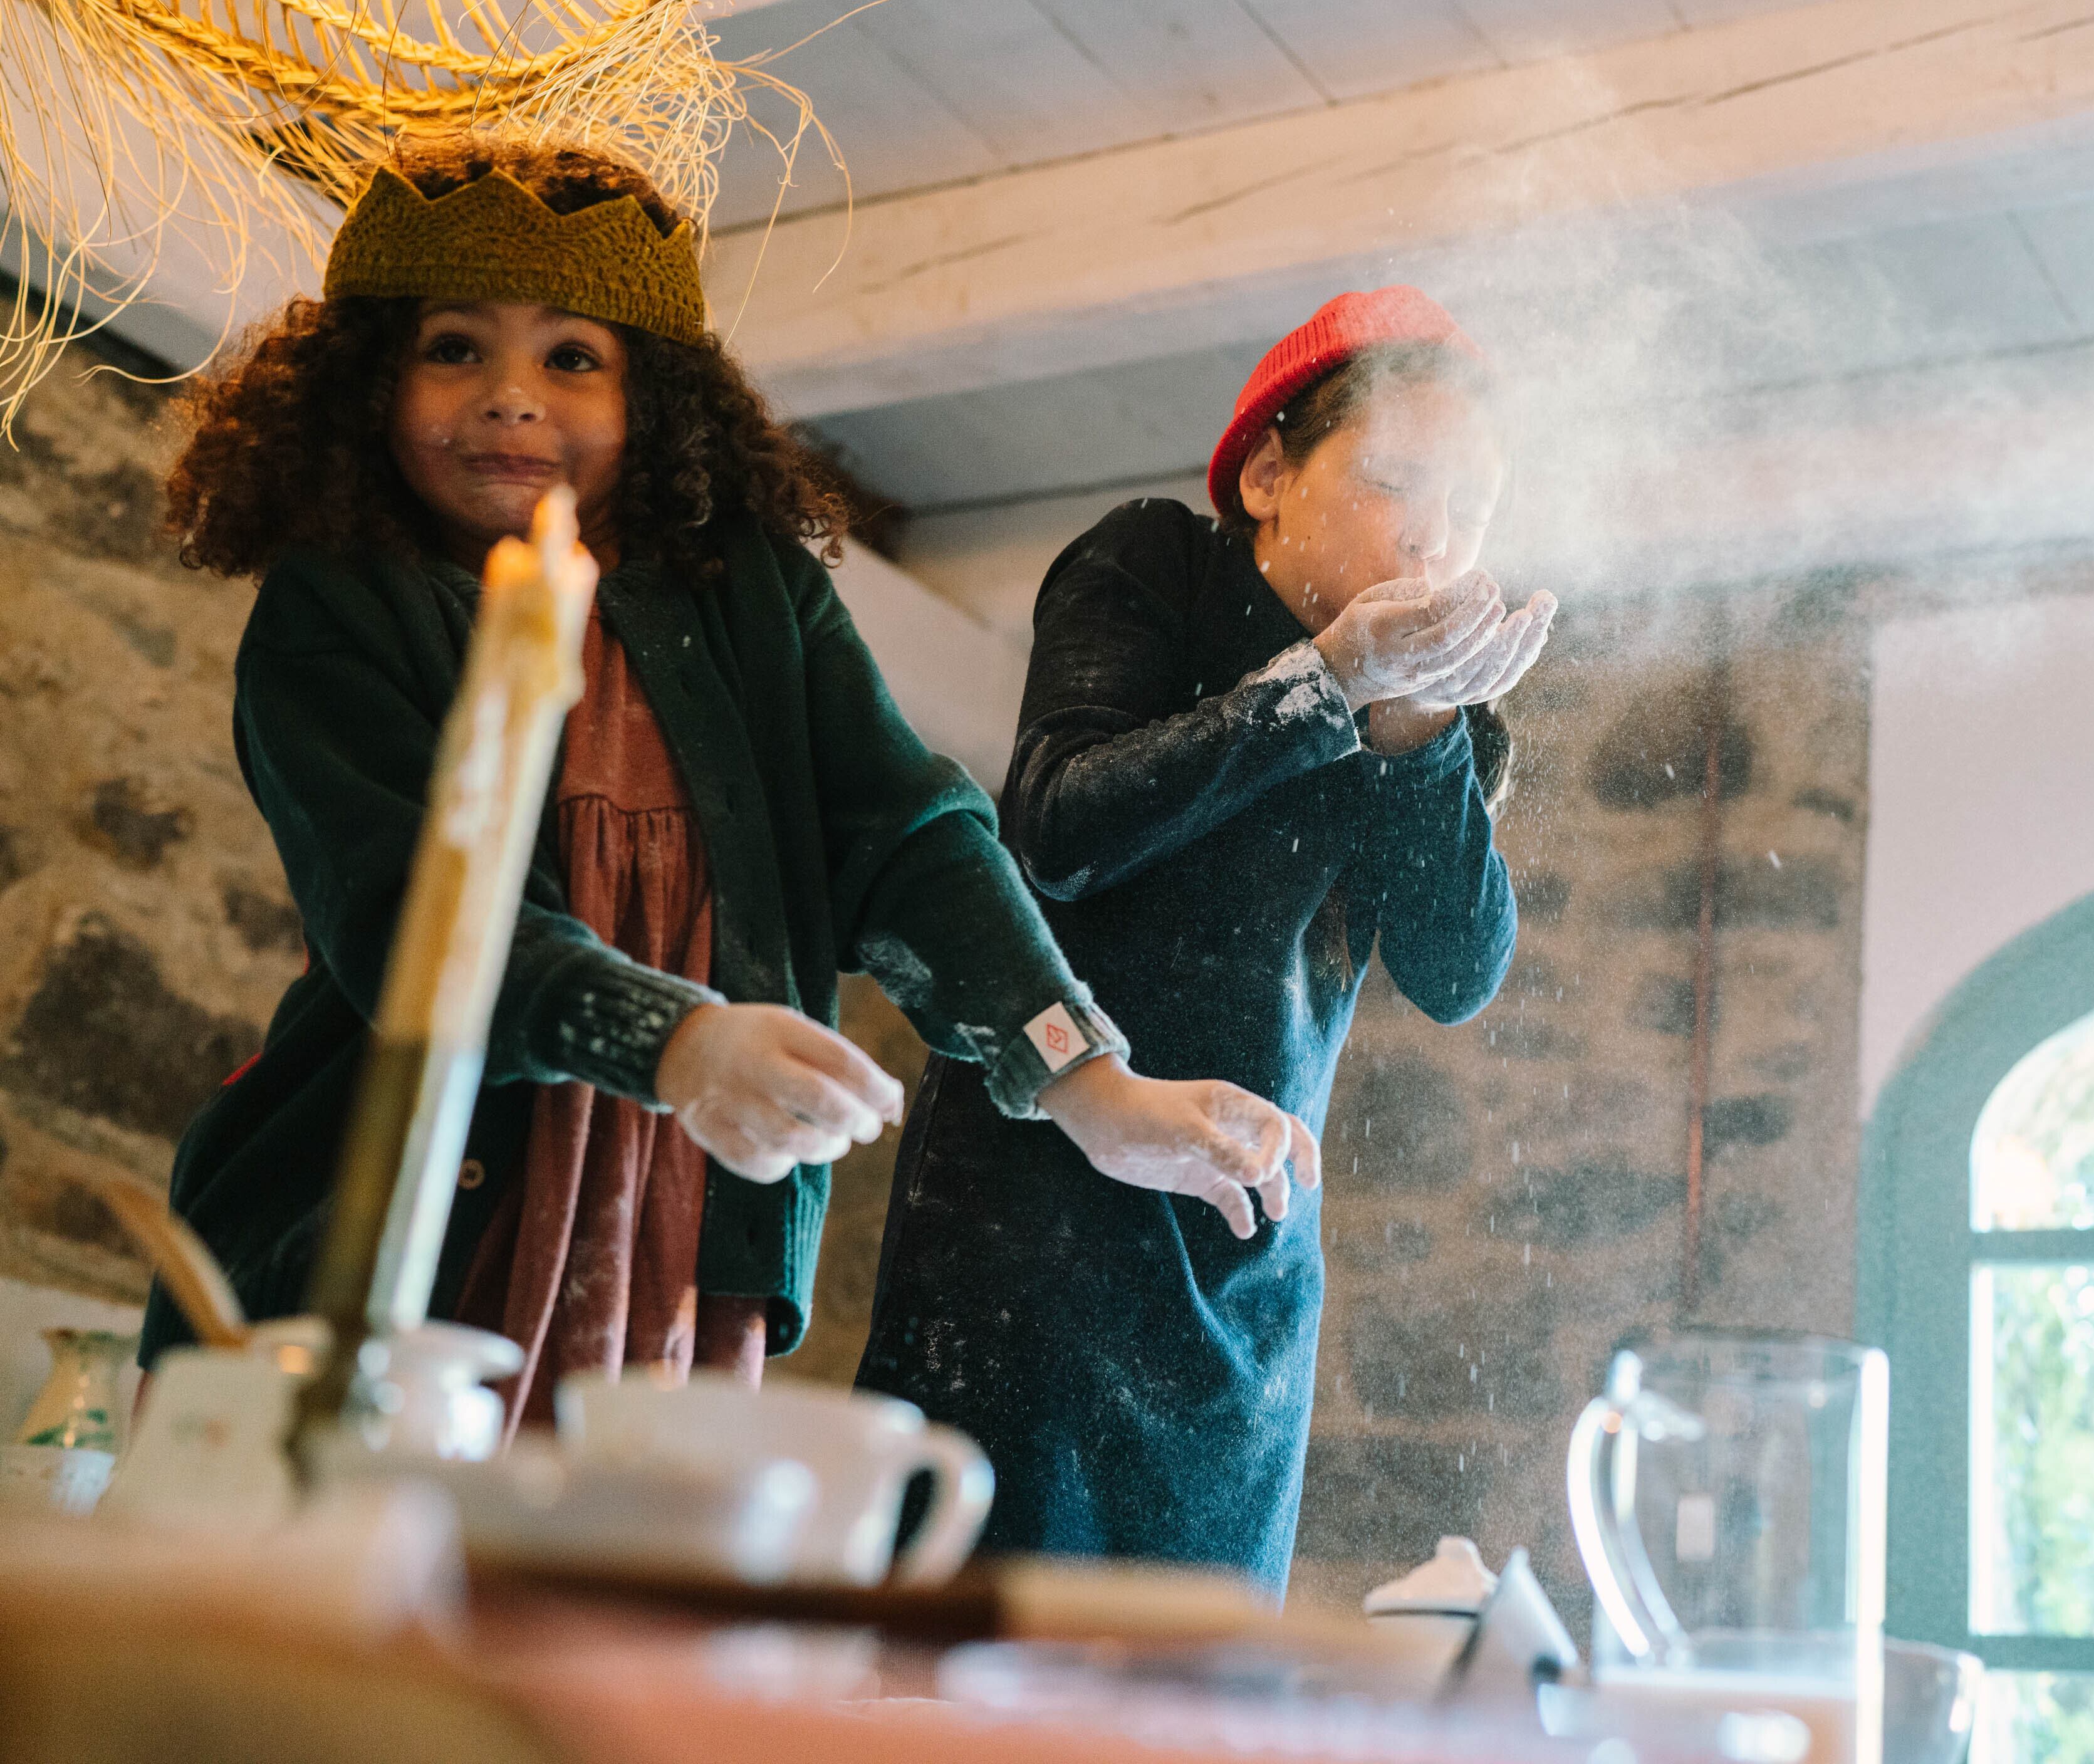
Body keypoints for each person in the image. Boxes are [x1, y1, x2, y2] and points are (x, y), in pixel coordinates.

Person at [145, 140, 1307, 1434]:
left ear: (653, 397)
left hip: (685, 1244)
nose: (511, 399)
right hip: (363, 1256)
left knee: (618, 1562)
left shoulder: (749, 592)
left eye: (572, 358)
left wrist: (1085, 1081)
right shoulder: (334, 608)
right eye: (454, 348)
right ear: (367, 382)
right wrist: (676, 1044)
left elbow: (905, 834)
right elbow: (415, 917)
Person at [857, 286, 1554, 1589]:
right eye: (1395, 481)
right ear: (1268, 476)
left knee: (1197, 1673)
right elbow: (1063, 829)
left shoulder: (1432, 723)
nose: (1433, 535)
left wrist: (1417, 730)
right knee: (974, 1651)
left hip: (1247, 1269)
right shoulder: (1156, 564)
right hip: (1034, 1228)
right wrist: (1326, 683)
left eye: (1470, 507)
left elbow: (1458, 975)